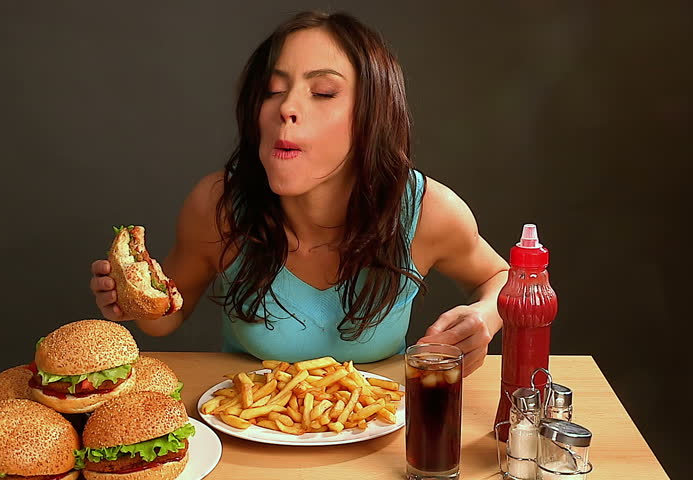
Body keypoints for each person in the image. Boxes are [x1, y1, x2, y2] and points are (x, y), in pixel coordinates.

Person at [90, 11, 508, 376]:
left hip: (381, 434)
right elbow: (166, 319)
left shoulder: (427, 211)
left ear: (372, 115)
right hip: (249, 437)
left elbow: (505, 278)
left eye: (323, 92)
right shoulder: (218, 205)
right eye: (273, 90)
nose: (285, 107)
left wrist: (484, 317)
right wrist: (132, 303)